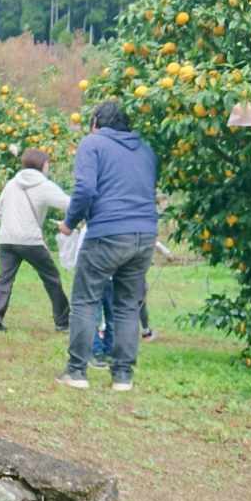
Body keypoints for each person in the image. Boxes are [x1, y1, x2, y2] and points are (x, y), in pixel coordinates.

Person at [57, 101, 158, 392]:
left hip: (107, 232)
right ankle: (122, 376)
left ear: (95, 122)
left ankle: (77, 371)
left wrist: (70, 222)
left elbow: (85, 188)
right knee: (128, 305)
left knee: (86, 300)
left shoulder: (93, 143)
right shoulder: (146, 148)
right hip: (144, 233)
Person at [0, 148, 71, 333]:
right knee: (52, 279)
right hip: (30, 240)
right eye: (48, 163)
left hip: (6, 239)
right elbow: (68, 204)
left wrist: (11, 225)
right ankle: (63, 322)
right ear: (42, 165)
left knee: (4, 280)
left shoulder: (12, 183)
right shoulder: (43, 185)